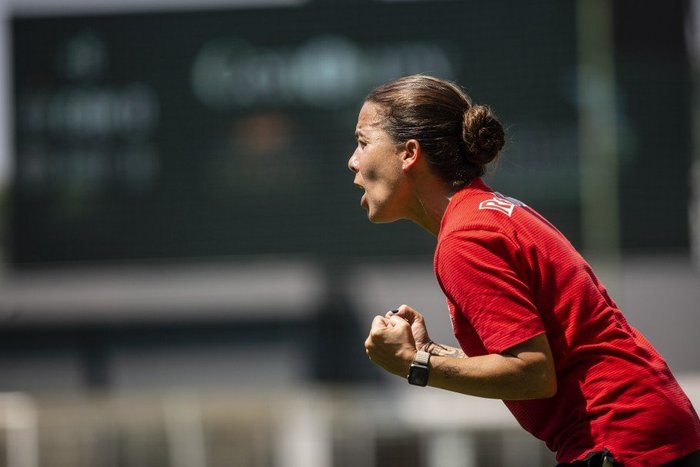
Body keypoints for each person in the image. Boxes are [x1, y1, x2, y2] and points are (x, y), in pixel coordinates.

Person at [349, 74, 700, 466]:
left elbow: (534, 374)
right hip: (648, 427)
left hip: (620, 439)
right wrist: (433, 352)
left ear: (408, 153)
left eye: (363, 142)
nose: (353, 161)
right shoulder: (487, 211)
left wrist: (415, 366)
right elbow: (535, 359)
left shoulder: (464, 240)